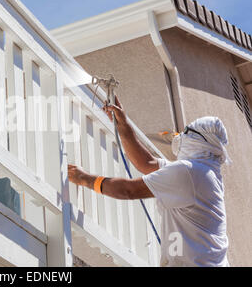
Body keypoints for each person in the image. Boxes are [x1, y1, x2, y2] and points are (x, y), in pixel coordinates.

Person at [67, 96, 231, 267]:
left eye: (187, 132)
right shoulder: (201, 172)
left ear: (198, 140)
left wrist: (85, 179)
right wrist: (123, 125)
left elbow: (128, 190)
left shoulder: (190, 172)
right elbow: (147, 163)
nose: (181, 136)